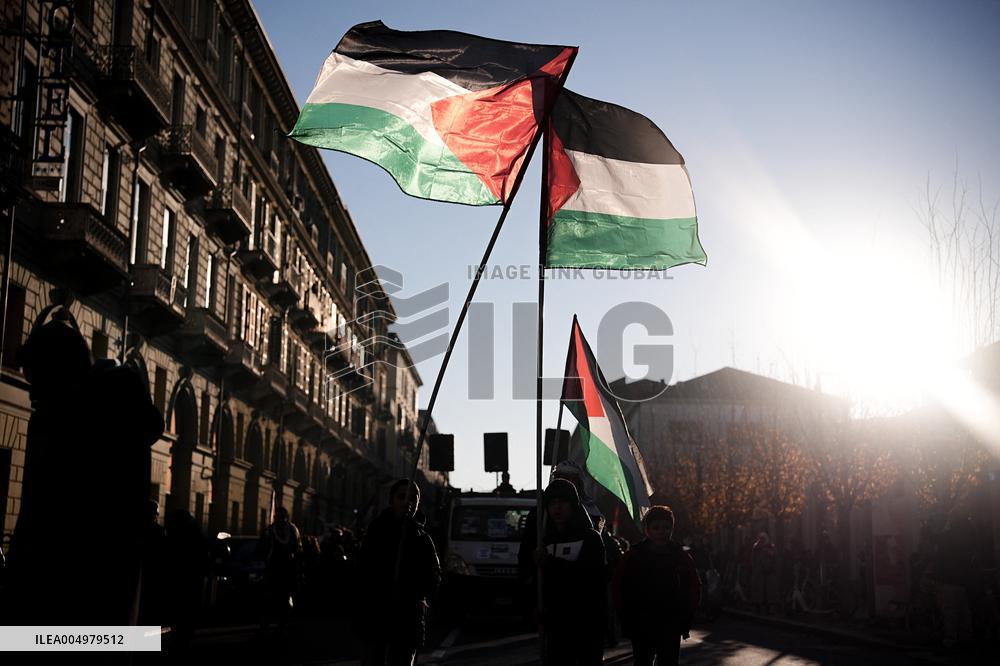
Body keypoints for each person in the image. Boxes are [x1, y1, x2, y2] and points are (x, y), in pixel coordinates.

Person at [357, 479, 440, 666]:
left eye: (413, 498)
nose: (407, 502)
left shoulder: (423, 538)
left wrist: (418, 594)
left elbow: (434, 576)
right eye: (402, 496)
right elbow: (363, 569)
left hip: (407, 616)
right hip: (376, 612)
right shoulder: (376, 530)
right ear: (392, 500)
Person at [613, 506, 700, 666]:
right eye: (656, 528)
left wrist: (686, 617)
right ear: (647, 530)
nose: (661, 532)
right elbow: (619, 587)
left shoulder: (680, 556)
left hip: (670, 622)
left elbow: (694, 587)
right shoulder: (633, 556)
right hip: (641, 622)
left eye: (666, 527)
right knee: (642, 660)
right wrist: (624, 616)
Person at [532, 478, 606, 666]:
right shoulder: (544, 540)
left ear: (573, 505)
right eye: (552, 503)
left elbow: (589, 577)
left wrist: (551, 563)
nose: (557, 508)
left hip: (585, 623)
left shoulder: (590, 538)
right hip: (556, 624)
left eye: (563, 502)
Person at [258, 506, 302, 633]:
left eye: (281, 517)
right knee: (269, 597)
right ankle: (266, 622)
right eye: (277, 517)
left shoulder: (293, 530)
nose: (279, 519)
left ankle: (283, 620)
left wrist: (296, 561)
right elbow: (261, 548)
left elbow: (298, 548)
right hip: (273, 568)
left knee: (285, 596)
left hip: (288, 568)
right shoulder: (269, 530)